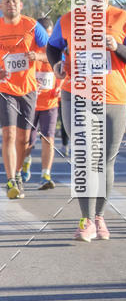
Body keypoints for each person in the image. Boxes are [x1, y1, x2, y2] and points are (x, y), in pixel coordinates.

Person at [47, 0, 126, 241]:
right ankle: (86, 220)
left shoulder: (124, 19)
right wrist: (56, 64)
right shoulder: (68, 20)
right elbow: (54, 47)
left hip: (112, 95)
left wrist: (116, 47)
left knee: (105, 160)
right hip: (75, 94)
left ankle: (99, 217)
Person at [0, 0, 49, 199]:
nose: (11, 4)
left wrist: (37, 55)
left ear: (21, 5)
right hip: (5, 89)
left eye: (14, 1)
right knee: (9, 135)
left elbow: (52, 53)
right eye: (6, 1)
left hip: (28, 89)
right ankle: (11, 179)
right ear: (1, 6)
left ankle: (18, 173)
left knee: (24, 138)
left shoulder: (32, 26)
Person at [20, 17, 61, 190]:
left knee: (48, 138)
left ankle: (45, 174)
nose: (47, 40)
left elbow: (63, 68)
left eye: (50, 35)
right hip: (30, 103)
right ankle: (25, 162)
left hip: (50, 102)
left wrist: (60, 87)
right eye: (45, 36)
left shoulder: (55, 50)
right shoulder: (28, 47)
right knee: (27, 142)